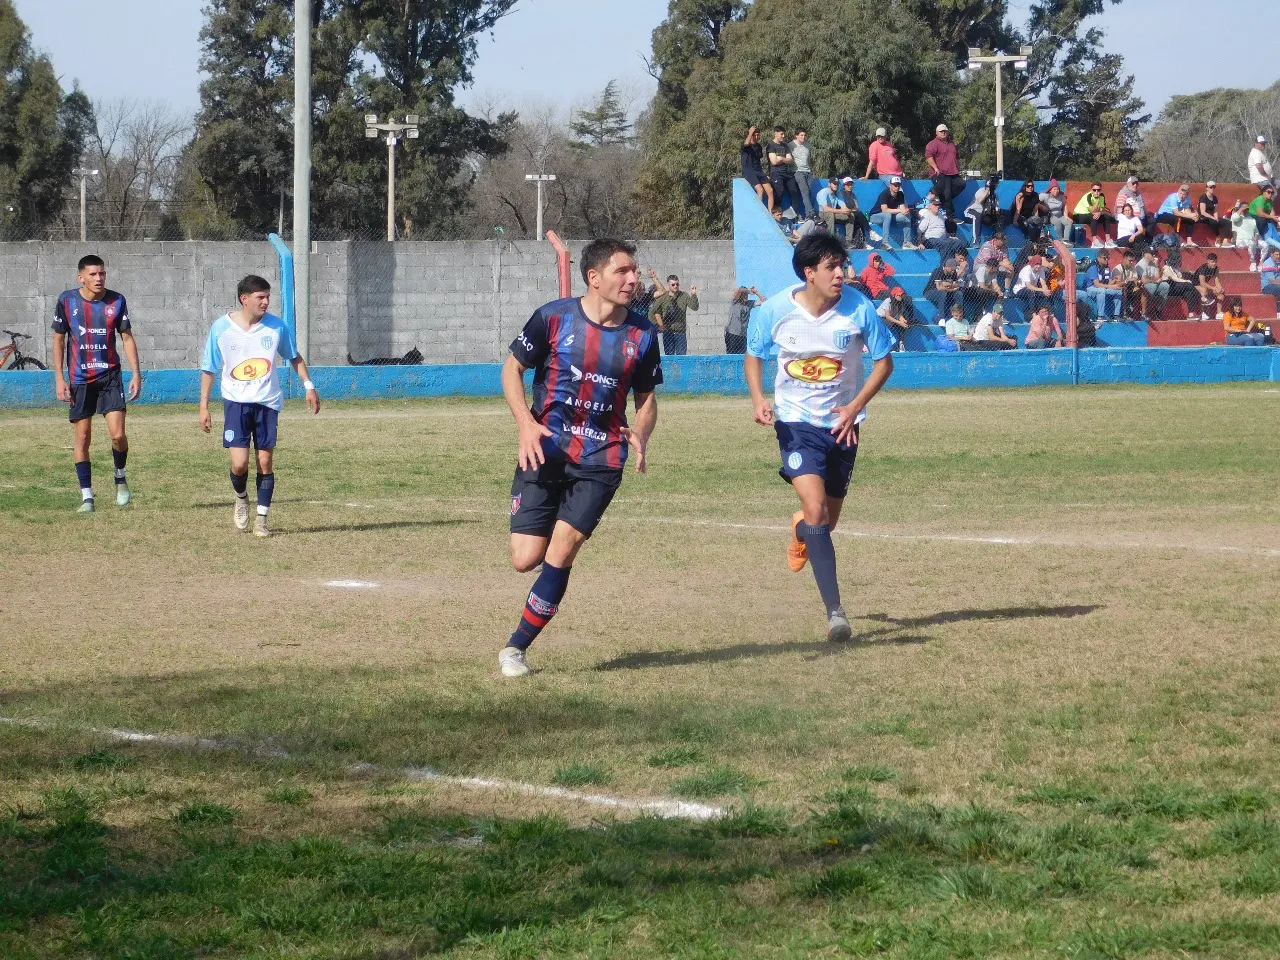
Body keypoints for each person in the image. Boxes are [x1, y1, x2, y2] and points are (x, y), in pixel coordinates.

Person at [500, 238, 662, 678]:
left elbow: (647, 399)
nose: (633, 279)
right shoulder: (553, 318)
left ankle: (515, 648)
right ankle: (551, 530)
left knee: (564, 547)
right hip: (545, 449)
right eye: (622, 271)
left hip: (601, 457)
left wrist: (641, 432)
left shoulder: (643, 335)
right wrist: (525, 423)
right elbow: (512, 368)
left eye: (634, 271)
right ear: (594, 277)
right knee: (524, 558)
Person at [744, 232, 894, 644]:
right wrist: (758, 398)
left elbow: (884, 363)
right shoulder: (775, 310)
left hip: (843, 427)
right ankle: (835, 614)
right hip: (795, 424)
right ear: (809, 273)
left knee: (825, 521)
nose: (841, 274)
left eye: (842, 265)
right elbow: (753, 355)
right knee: (815, 508)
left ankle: (801, 531)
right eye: (832, 267)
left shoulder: (859, 309)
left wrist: (855, 406)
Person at [198, 275, 320, 537]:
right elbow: (209, 369)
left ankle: (262, 520)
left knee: (265, 462)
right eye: (260, 297)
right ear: (245, 299)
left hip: (267, 402)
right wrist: (204, 406)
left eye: (268, 297)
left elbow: (294, 356)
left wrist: (309, 386)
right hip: (235, 403)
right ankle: (241, 498)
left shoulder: (276, 327)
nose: (266, 302)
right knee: (239, 464)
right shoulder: (221, 328)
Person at [51, 254, 143, 513]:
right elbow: (58, 340)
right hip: (80, 379)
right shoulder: (67, 301)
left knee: (118, 435)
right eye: (93, 274)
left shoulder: (117, 301)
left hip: (110, 376)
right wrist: (59, 378)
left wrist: (136, 373)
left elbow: (126, 337)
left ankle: (120, 477)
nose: (99, 278)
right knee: (82, 438)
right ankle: (87, 497)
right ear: (81, 278)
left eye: (102, 273)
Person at [648, 274, 698, 355]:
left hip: (680, 332)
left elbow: (695, 307)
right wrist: (658, 325)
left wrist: (693, 295)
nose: (675, 286)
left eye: (677, 284)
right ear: (668, 285)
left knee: (681, 357)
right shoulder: (664, 297)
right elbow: (651, 312)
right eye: (673, 284)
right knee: (669, 356)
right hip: (668, 332)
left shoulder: (684, 295)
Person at [924, 122, 963, 221]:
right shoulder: (933, 143)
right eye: (941, 131)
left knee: (961, 184)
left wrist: (958, 168)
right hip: (940, 174)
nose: (943, 133)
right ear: (937, 133)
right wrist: (935, 168)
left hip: (953, 173)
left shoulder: (952, 144)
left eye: (945, 131)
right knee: (947, 193)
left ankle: (940, 197)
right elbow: (928, 157)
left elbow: (957, 157)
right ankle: (951, 217)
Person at [871, 176, 918, 250]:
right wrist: (900, 210)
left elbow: (902, 208)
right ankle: (885, 243)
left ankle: (907, 243)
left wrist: (905, 211)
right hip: (875, 216)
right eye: (895, 185)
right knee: (887, 215)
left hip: (890, 216)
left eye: (898, 185)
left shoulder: (900, 194)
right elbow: (884, 210)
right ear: (890, 185)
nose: (897, 187)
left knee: (906, 216)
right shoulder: (885, 194)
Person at [917, 195, 966, 261]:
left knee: (958, 242)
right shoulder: (926, 215)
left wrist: (950, 237)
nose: (937, 206)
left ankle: (960, 262)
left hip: (942, 239)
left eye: (939, 205)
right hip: (930, 240)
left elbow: (942, 230)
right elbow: (919, 231)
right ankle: (946, 265)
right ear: (930, 206)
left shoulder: (941, 216)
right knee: (946, 244)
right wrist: (920, 243)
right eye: (935, 205)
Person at [766, 126, 800, 219]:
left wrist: (781, 158)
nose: (783, 136)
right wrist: (784, 159)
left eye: (784, 134)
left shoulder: (785, 145)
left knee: (794, 191)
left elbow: (790, 160)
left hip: (787, 173)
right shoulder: (771, 145)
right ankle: (776, 215)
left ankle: (796, 214)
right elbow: (774, 162)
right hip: (776, 173)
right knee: (779, 193)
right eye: (781, 134)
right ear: (775, 134)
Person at [1160, 247, 1202, 318]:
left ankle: (1191, 314)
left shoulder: (1175, 267)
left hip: (1177, 288)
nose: (1179, 262)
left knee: (1189, 293)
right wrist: (1185, 281)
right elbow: (1174, 278)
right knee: (1188, 284)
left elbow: (1183, 270)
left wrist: (1190, 272)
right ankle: (1201, 298)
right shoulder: (1166, 268)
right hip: (1169, 287)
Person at [741, 126, 775, 211]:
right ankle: (759, 211)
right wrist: (750, 133)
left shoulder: (759, 146)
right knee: (760, 190)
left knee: (770, 191)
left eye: (758, 135)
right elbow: (746, 144)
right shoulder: (746, 145)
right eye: (754, 135)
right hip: (749, 171)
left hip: (758, 171)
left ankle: (770, 212)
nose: (756, 137)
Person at [1073, 182, 1115, 249]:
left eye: (1098, 190)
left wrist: (1100, 213)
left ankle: (1108, 241)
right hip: (1079, 215)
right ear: (1091, 190)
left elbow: (1102, 209)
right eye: (1094, 190)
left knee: (1106, 217)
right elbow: (1093, 211)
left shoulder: (1102, 196)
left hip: (1090, 214)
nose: (1096, 192)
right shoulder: (1088, 196)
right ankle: (1094, 241)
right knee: (1094, 217)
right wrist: (1098, 200)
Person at [1083, 252, 1123, 321]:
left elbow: (1109, 283)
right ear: (1098, 258)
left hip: (1102, 287)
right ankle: (1100, 316)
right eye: (1105, 258)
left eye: (1108, 258)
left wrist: (1114, 280)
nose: (1107, 259)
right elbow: (1096, 284)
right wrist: (1112, 287)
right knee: (1101, 290)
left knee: (1118, 291)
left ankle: (1116, 315)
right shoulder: (1093, 267)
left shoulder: (1107, 268)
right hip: (1091, 288)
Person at [726, 285, 763, 353]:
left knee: (742, 356)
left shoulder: (749, 303)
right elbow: (738, 290)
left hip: (742, 336)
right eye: (744, 294)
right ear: (740, 295)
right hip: (732, 335)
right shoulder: (735, 302)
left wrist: (756, 292)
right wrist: (749, 291)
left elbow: (765, 301)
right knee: (731, 355)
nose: (746, 296)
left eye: (747, 295)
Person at [964, 176, 1001, 244]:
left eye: (996, 184)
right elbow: (979, 200)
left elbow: (997, 210)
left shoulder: (995, 196)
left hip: (983, 215)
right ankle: (977, 240)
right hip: (971, 212)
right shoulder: (981, 190)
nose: (995, 185)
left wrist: (993, 212)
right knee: (977, 216)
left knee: (998, 219)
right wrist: (987, 189)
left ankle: (997, 241)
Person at [974, 233, 1012, 298]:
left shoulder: (1004, 246)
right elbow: (988, 261)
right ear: (996, 239)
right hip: (982, 265)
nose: (1004, 242)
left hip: (996, 265)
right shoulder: (987, 246)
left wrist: (1008, 264)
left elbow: (1005, 259)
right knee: (989, 269)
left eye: (1004, 240)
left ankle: (1006, 290)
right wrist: (1003, 264)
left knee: (1010, 269)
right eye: (1002, 240)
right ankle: (990, 289)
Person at [789, 128, 816, 220]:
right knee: (805, 192)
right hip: (797, 171)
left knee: (809, 193)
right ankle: (811, 213)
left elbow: (809, 160)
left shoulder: (808, 146)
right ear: (796, 136)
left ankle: (806, 215)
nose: (803, 137)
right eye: (801, 135)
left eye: (805, 135)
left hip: (808, 171)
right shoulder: (790, 145)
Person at [1231, 199, 1263, 271]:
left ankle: (1261, 264)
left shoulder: (1252, 219)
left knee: (1265, 245)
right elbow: (1234, 218)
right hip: (1240, 241)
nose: (1246, 210)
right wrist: (1241, 209)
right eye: (1244, 209)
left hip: (1251, 240)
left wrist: (1256, 236)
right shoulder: (1237, 217)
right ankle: (1253, 262)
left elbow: (1256, 232)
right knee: (1251, 244)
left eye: (1247, 208)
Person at [1194, 252, 1227, 320]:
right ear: (1208, 261)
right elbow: (1202, 283)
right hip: (1194, 285)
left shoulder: (1216, 268)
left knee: (1220, 293)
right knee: (1204, 290)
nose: (1214, 263)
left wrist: (1220, 288)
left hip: (1204, 286)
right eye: (1212, 262)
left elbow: (1217, 281)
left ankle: (1219, 313)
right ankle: (1202, 313)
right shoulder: (1203, 268)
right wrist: (1214, 288)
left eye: (1215, 262)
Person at [1197, 182, 1231, 247]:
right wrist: (1213, 218)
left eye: (1213, 187)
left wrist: (1216, 218)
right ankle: (1218, 238)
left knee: (1228, 222)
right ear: (1207, 188)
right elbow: (1203, 212)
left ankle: (1225, 241)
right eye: (1210, 187)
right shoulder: (1203, 197)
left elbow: (1215, 210)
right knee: (1214, 221)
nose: (1212, 189)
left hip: (1211, 217)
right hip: (1203, 217)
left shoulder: (1214, 198)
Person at [1112, 250, 1144, 320]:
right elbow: (1117, 284)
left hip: (1130, 287)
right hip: (1120, 289)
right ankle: (1125, 313)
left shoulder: (1132, 267)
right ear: (1124, 259)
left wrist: (1128, 281)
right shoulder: (1118, 269)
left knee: (1141, 290)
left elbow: (1136, 278)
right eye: (1130, 261)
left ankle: (1142, 314)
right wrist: (1127, 281)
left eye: (1133, 261)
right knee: (1124, 290)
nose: (1132, 262)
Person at [1136, 249, 1168, 319]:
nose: (1154, 256)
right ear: (1146, 255)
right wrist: (1154, 281)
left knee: (1165, 285)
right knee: (1153, 286)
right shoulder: (1141, 264)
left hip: (1152, 283)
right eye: (1152, 254)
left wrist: (1157, 266)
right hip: (1142, 286)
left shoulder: (1153, 263)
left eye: (1155, 254)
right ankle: (1145, 312)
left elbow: (1157, 277)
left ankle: (1158, 309)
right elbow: (1144, 280)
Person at [1261, 248, 1280, 314]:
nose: (1278, 256)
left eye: (1279, 254)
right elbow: (1273, 281)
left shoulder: (1277, 262)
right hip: (1267, 286)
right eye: (1276, 254)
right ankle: (1278, 310)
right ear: (1271, 254)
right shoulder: (1268, 264)